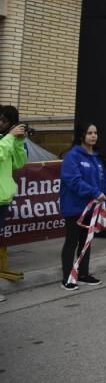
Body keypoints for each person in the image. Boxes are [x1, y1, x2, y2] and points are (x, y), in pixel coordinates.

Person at [59, 121, 106, 290]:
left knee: (86, 242)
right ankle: (67, 277)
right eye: (89, 133)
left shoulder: (99, 157)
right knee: (71, 242)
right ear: (82, 135)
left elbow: (105, 181)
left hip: (93, 209)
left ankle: (83, 274)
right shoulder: (72, 156)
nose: (93, 136)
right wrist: (95, 193)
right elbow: (73, 181)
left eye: (95, 132)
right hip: (74, 208)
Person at [0, 109, 27, 301]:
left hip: (2, 199)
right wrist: (10, 137)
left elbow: (18, 163)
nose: (1, 123)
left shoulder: (7, 140)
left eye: (4, 121)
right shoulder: (4, 140)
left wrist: (19, 141)